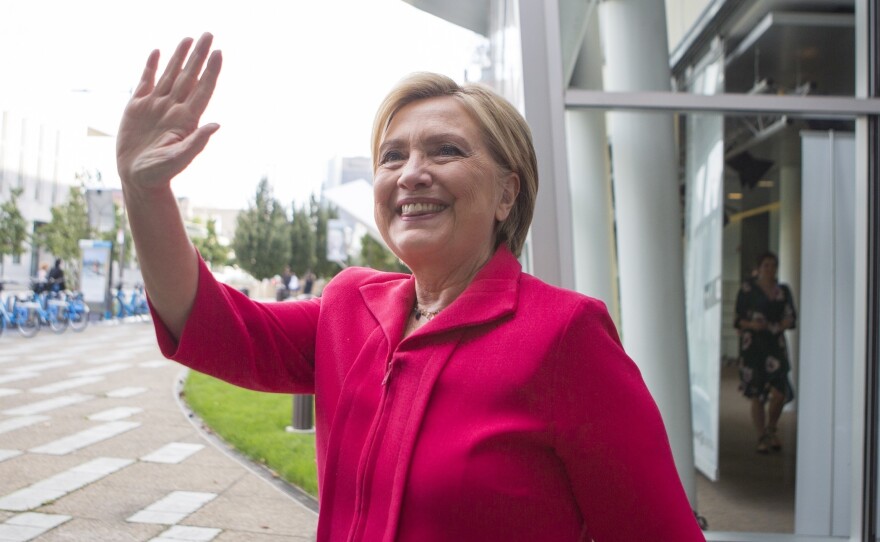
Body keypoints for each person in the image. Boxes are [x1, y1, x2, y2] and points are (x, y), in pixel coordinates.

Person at [116, 33, 704, 541]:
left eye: (445, 150)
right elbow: (209, 322)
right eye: (391, 156)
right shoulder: (350, 306)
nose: (411, 172)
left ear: (507, 194)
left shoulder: (565, 336)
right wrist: (145, 193)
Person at [734, 251, 797, 454]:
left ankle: (772, 428)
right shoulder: (747, 289)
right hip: (754, 346)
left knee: (780, 392)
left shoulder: (783, 291)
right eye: (766, 265)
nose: (770, 269)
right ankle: (762, 435)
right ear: (759, 268)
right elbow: (737, 319)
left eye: (773, 265)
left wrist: (783, 324)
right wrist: (752, 324)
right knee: (757, 394)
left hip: (775, 345)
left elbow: (791, 316)